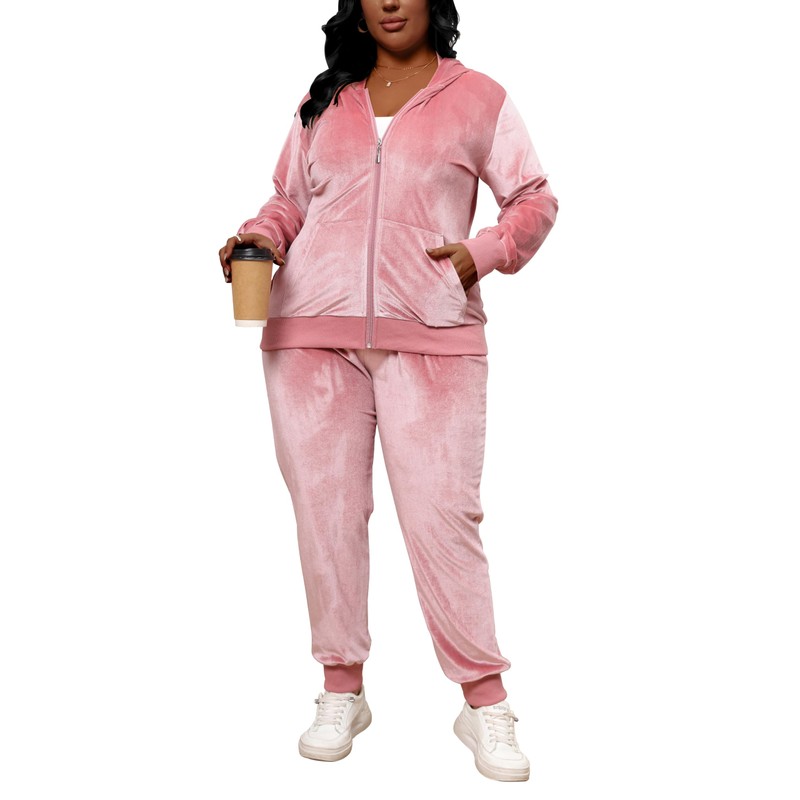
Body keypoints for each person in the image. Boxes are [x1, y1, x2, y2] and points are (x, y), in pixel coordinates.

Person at [218, 0, 557, 782]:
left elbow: (535, 197)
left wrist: (485, 251)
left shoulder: (479, 98)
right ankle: (341, 686)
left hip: (433, 332)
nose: (392, 2)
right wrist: (259, 236)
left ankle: (483, 699)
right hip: (309, 332)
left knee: (442, 517)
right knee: (327, 514)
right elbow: (289, 200)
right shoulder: (324, 100)